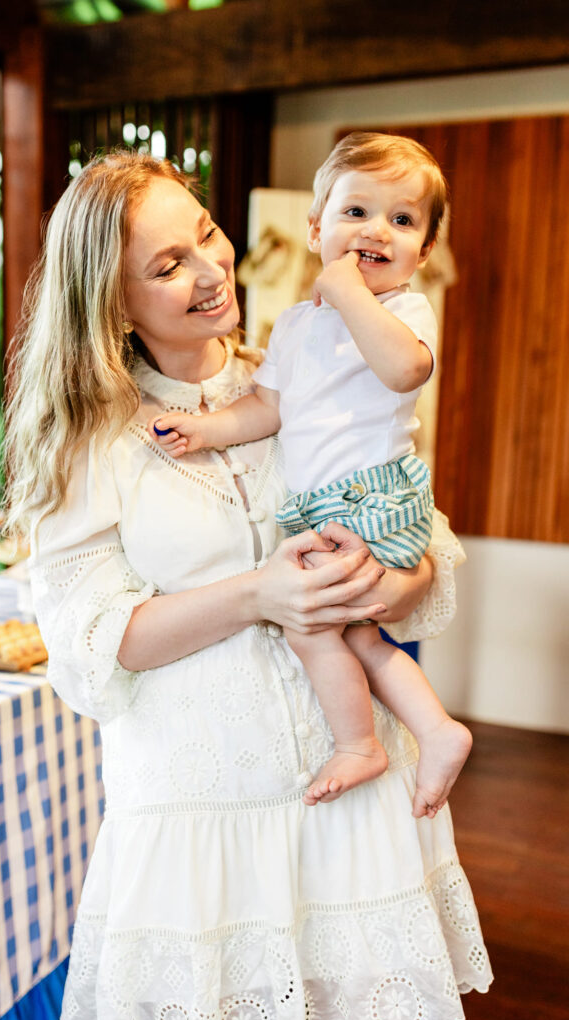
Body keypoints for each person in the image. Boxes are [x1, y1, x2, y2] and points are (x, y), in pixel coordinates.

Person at [4, 150, 492, 1020]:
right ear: (112, 301)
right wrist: (257, 594)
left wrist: (398, 582)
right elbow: (96, 644)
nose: (210, 270)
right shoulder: (86, 440)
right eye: (167, 264)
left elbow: (422, 531)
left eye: (207, 236)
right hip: (202, 804)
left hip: (351, 790)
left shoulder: (306, 360)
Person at [148, 132, 471, 816]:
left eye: (402, 220)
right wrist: (206, 429)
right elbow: (267, 408)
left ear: (424, 252)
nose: (376, 230)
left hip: (373, 498)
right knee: (352, 634)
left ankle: (360, 744)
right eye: (356, 212)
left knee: (312, 625)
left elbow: (405, 371)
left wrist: (348, 294)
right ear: (317, 228)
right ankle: (436, 728)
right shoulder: (296, 325)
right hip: (326, 507)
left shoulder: (403, 310)